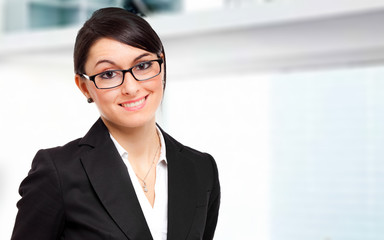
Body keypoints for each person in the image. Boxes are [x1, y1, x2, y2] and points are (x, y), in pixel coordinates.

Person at [11, 7, 220, 240]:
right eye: (109, 74)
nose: (131, 88)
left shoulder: (202, 169)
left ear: (161, 65)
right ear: (84, 86)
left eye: (143, 66)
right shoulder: (59, 173)